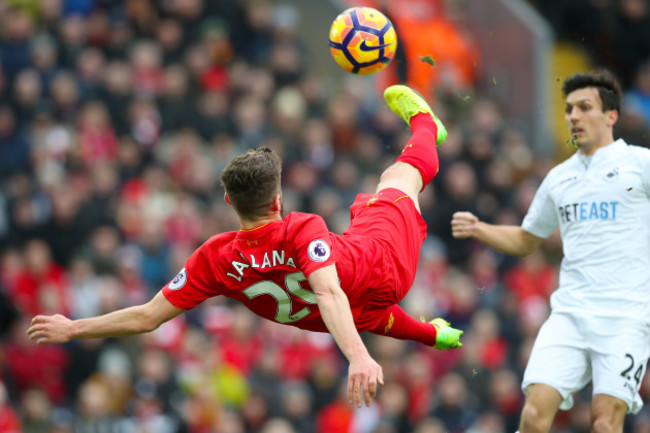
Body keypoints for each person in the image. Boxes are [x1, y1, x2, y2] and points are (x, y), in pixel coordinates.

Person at [28, 85, 463, 408]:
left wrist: (74, 328)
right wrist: (359, 359)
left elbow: (145, 318)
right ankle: (428, 124)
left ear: (228, 202)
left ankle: (434, 334)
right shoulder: (300, 227)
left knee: (360, 305)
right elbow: (330, 292)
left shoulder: (215, 258)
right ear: (277, 200)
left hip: (350, 308)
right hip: (380, 265)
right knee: (398, 179)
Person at [451, 69, 650, 433]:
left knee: (605, 422)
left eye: (584, 107)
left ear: (611, 116)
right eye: (569, 108)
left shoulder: (640, 164)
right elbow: (527, 240)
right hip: (570, 315)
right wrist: (480, 228)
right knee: (532, 415)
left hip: (625, 318)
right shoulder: (559, 177)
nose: (573, 116)